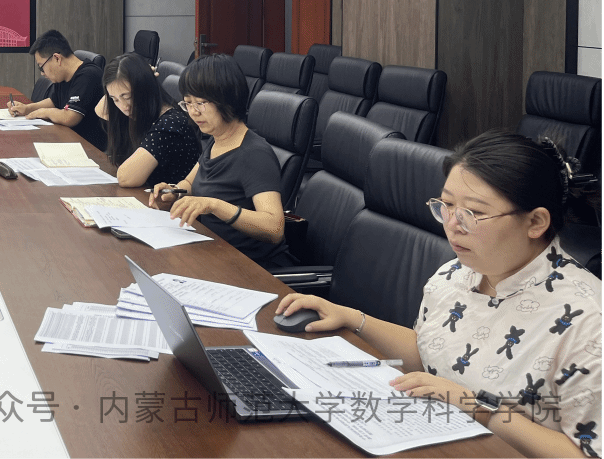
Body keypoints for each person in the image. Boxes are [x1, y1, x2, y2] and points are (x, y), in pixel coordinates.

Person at [277, 131, 601, 458]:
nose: (452, 225)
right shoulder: (455, 273)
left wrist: (476, 407)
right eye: (446, 206)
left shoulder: (588, 320)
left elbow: (587, 452)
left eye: (473, 213)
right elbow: (430, 355)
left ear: (535, 222)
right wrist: (352, 319)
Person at [148, 54, 288, 267]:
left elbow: (274, 228)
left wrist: (214, 205)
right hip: (214, 253)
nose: (193, 112)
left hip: (251, 267)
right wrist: (173, 192)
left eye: (200, 103)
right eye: (188, 103)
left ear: (226, 99)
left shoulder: (254, 154)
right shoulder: (217, 139)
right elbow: (190, 183)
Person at [94, 52, 201, 188]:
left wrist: (142, 78)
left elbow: (126, 178)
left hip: (171, 198)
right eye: (115, 99)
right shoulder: (139, 112)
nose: (123, 106)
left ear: (144, 88)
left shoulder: (170, 123)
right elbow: (100, 111)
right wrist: (116, 88)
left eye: (127, 97)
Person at [7, 29, 107, 151]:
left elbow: (69, 117)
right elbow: (54, 101)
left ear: (57, 58)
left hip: (90, 149)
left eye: (41, 67)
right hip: (69, 142)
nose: (42, 73)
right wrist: (27, 108)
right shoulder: (63, 76)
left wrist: (43, 112)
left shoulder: (88, 75)